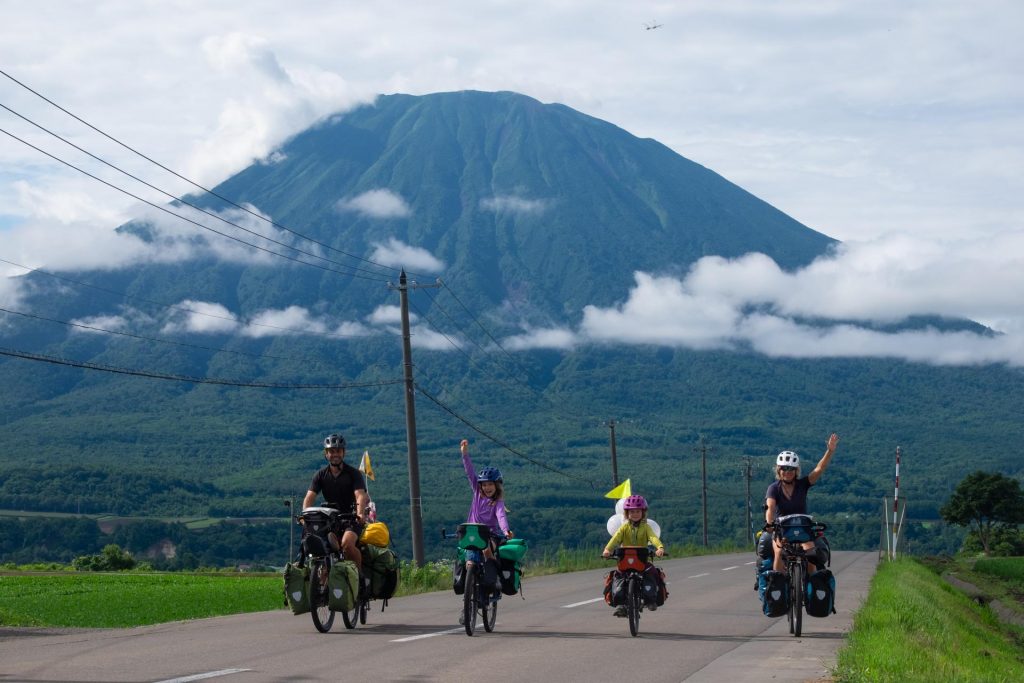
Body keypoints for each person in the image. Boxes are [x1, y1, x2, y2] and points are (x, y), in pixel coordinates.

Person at [765, 433, 839, 574]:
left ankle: (810, 585)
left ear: (796, 470)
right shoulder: (773, 488)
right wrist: (770, 523)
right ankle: (778, 585)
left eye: (791, 469)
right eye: (784, 468)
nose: (788, 472)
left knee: (811, 553)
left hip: (802, 528)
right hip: (783, 530)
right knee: (779, 552)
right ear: (778, 470)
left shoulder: (802, 485)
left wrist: (830, 451)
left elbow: (819, 469)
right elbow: (770, 508)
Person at [303, 433, 370, 572]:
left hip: (351, 518)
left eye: (338, 451)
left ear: (343, 453)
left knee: (347, 544)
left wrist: (360, 514)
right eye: (331, 451)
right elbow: (309, 498)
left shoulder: (353, 473)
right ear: (326, 454)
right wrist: (305, 516)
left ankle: (358, 579)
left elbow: (360, 495)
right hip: (330, 520)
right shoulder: (320, 475)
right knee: (321, 548)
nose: (335, 454)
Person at [603, 494, 665, 616]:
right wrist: (607, 549)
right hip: (625, 560)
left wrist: (659, 547)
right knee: (619, 576)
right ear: (626, 513)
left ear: (643, 512)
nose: (635, 514)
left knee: (651, 572)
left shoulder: (646, 527)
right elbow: (615, 539)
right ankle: (621, 604)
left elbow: (653, 537)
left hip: (641, 559)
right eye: (632, 512)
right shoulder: (624, 527)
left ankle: (650, 600)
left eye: (638, 511)